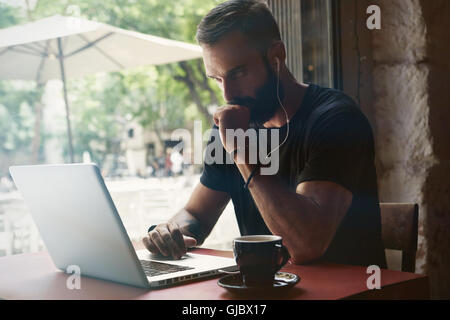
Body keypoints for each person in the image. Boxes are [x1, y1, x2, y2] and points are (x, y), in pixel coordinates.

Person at [142, 0, 387, 268]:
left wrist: (241, 151)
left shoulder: (336, 119)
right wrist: (171, 232)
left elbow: (306, 245)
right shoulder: (232, 126)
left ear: (276, 56)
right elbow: (196, 214)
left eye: (238, 73)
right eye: (217, 79)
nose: (228, 94)